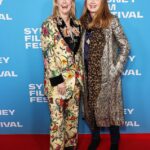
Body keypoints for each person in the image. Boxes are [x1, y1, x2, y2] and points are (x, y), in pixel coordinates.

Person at [80, 0, 130, 150]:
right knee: (91, 108)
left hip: (107, 76)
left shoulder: (111, 20)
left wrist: (116, 70)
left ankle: (114, 142)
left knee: (111, 109)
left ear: (103, 3)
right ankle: (95, 138)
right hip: (87, 74)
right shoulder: (81, 22)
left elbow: (125, 46)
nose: (93, 2)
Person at [41, 0, 83, 149]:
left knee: (72, 119)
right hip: (57, 82)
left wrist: (80, 78)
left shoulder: (77, 24)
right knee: (57, 122)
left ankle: (71, 146)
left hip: (75, 81)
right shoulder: (49, 24)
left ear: (72, 3)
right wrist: (58, 81)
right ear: (56, 3)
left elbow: (77, 54)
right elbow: (48, 55)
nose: (65, 2)